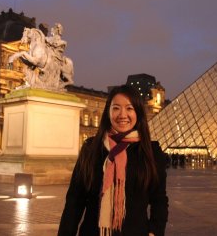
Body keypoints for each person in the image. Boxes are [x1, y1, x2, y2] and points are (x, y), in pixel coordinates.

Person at [58, 85, 168, 236]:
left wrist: (154, 232)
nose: (123, 114)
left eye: (129, 108)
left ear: (138, 113)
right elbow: (75, 201)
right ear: (108, 112)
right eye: (116, 108)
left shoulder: (150, 151)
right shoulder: (91, 148)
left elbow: (159, 199)